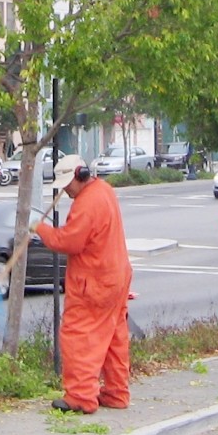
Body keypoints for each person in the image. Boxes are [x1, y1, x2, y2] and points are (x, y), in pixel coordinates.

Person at [33, 155, 133, 414]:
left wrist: (41, 230)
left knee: (79, 336)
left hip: (94, 281)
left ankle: (80, 397)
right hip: (116, 277)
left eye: (67, 183)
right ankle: (116, 392)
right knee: (113, 337)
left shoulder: (86, 203)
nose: (65, 189)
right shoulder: (104, 191)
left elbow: (69, 242)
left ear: (80, 174)